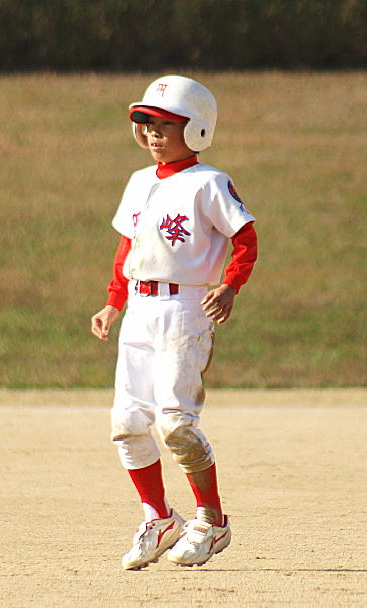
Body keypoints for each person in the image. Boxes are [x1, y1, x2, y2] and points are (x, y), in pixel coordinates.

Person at [89, 75, 258, 570]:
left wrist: (230, 285)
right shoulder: (139, 182)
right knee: (127, 423)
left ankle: (211, 520)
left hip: (185, 310)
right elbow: (129, 248)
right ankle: (159, 517)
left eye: (165, 124)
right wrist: (113, 302)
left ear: (197, 129)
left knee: (176, 425)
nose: (153, 132)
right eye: (146, 123)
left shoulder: (209, 182)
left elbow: (245, 237)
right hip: (139, 311)